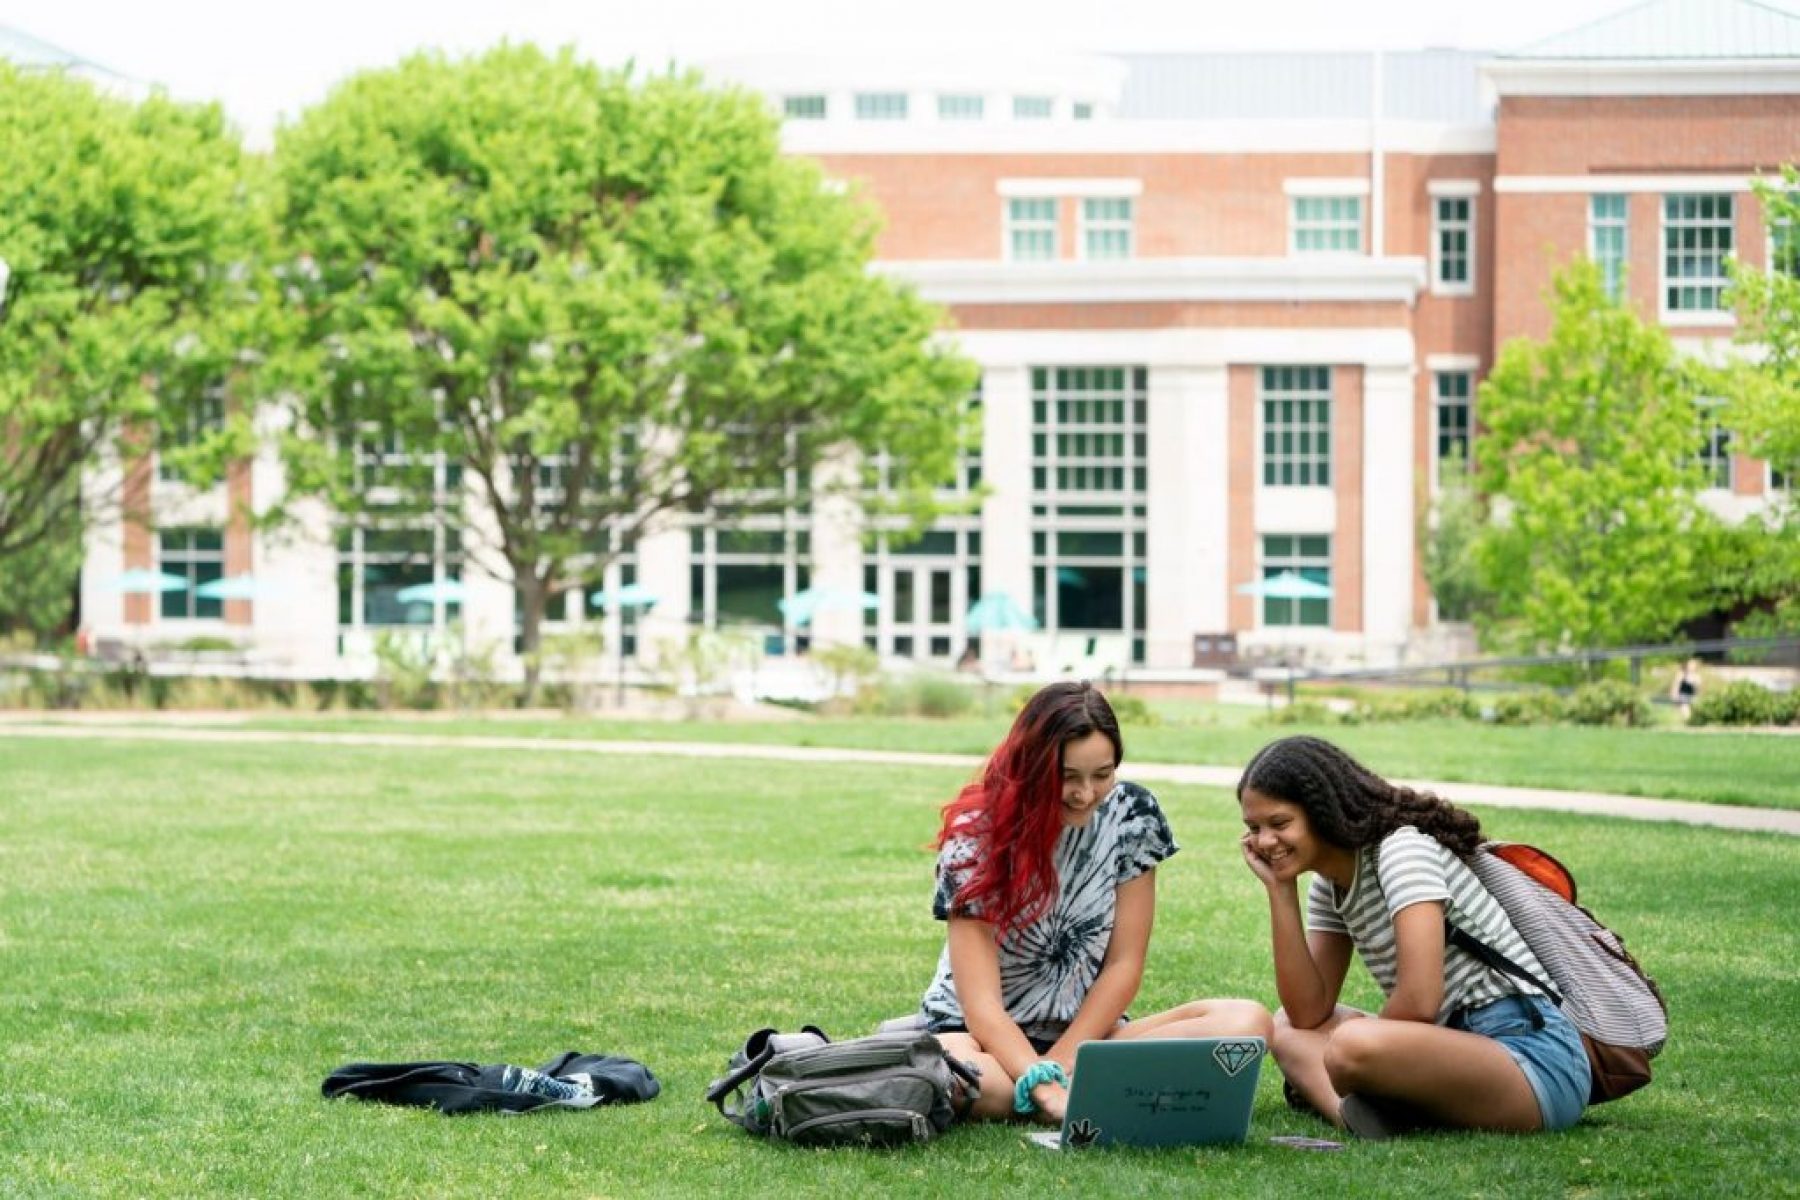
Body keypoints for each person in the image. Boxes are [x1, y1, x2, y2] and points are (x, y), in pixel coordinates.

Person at [919, 680, 1272, 1124]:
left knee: (1246, 1023)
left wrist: (1061, 1065)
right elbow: (981, 1006)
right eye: (1067, 777)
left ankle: (1078, 1082)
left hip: (1088, 1039)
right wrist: (1040, 1084)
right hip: (977, 1039)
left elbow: (1124, 964)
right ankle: (1090, 1086)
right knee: (965, 1077)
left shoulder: (1133, 814)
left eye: (1102, 775)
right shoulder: (976, 835)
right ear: (1031, 766)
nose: (1086, 794)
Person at [1237, 735, 1590, 1140]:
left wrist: (1362, 1055)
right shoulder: (1329, 884)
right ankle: (1358, 1116)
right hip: (1451, 1046)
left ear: (1321, 811)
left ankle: (1374, 1101)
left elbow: (1420, 1001)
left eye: (1279, 824)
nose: (1264, 841)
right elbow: (1307, 1014)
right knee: (1283, 1026)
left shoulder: (1401, 850)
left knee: (1351, 1045)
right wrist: (1280, 892)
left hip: (1532, 1057)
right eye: (1254, 828)